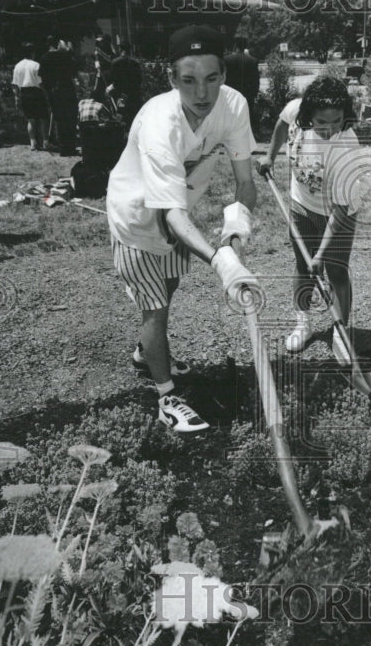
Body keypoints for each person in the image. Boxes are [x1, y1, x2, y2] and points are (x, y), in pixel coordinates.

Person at [107, 24, 259, 434]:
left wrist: (234, 229)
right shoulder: (161, 126)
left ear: (224, 75)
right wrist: (219, 262)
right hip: (136, 216)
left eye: (211, 78)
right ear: (172, 80)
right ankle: (167, 397)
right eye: (188, 81)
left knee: (169, 288)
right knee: (154, 308)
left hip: (179, 213)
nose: (202, 94)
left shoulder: (234, 106)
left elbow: (246, 182)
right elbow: (169, 216)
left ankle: (145, 353)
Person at [258, 76, 360, 361]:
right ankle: (303, 324)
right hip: (301, 204)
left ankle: (340, 331)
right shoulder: (295, 110)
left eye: (337, 120)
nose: (330, 129)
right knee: (303, 266)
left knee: (335, 271)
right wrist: (269, 156)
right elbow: (280, 124)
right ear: (307, 115)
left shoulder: (346, 146)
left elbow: (341, 208)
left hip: (337, 212)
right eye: (321, 122)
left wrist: (323, 254)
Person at [38, 35, 79, 156]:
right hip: (67, 90)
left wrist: (48, 93)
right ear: (58, 44)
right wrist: (69, 50)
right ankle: (71, 146)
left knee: (59, 120)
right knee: (70, 119)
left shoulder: (44, 58)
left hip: (53, 92)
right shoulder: (65, 56)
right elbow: (74, 70)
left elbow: (42, 79)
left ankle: (63, 148)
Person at [11, 42, 49, 150]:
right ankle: (45, 142)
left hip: (24, 93)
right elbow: (40, 83)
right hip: (36, 93)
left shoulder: (18, 66)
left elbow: (15, 84)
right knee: (43, 119)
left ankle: (33, 143)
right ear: (33, 52)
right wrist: (46, 94)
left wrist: (17, 97)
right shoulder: (36, 65)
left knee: (31, 120)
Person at [224, 38, 261, 134]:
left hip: (230, 94)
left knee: (231, 116)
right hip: (247, 94)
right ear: (245, 47)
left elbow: (223, 78)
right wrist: (255, 93)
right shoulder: (253, 61)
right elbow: (256, 79)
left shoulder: (227, 60)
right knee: (247, 116)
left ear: (235, 46)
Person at [109, 41, 143, 128]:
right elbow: (139, 79)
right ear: (129, 50)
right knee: (134, 120)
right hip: (134, 95)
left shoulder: (115, 62)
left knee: (121, 119)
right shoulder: (136, 63)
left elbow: (113, 79)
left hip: (121, 95)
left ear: (120, 49)